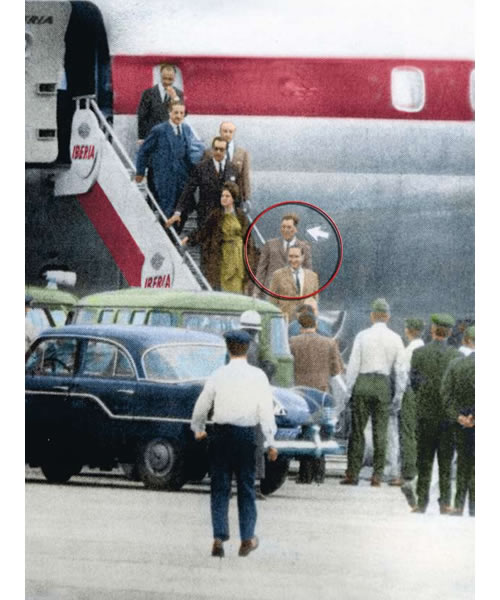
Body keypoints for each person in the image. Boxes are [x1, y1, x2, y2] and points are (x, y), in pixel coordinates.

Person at [190, 329, 278, 558]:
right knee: (247, 488)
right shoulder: (258, 376)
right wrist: (271, 441)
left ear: (227, 348)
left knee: (220, 487)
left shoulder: (218, 374)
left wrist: (198, 429)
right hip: (247, 436)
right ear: (248, 348)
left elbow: (201, 405)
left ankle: (219, 538)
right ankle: (247, 537)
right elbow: (266, 411)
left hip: (220, 435)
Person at [340, 298, 406, 487]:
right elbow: (401, 370)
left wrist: (348, 391)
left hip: (362, 382)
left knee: (357, 431)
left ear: (372, 316)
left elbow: (353, 366)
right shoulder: (395, 338)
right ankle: (377, 475)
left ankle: (352, 473)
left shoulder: (362, 336)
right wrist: (398, 395)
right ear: (388, 317)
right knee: (380, 432)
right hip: (382, 385)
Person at [410, 313, 461, 513]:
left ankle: (421, 501)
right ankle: (445, 502)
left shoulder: (419, 353)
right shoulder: (456, 356)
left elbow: (413, 382)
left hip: (425, 415)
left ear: (432, 330)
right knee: (446, 462)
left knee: (424, 460)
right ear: (449, 333)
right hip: (448, 417)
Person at [180, 182, 257, 293]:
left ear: (233, 199)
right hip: (223, 254)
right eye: (222, 196)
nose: (224, 199)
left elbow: (248, 238)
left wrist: (250, 259)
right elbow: (204, 230)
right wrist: (189, 238)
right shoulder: (216, 215)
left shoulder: (240, 215)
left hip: (238, 255)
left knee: (238, 284)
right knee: (223, 283)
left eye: (227, 196)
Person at [135, 101, 205, 217]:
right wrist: (140, 172)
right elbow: (144, 151)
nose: (178, 116)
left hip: (182, 178)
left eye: (181, 113)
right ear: (169, 113)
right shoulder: (159, 130)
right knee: (167, 210)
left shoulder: (186, 129)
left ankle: (173, 233)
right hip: (165, 178)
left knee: (186, 209)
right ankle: (165, 234)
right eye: (176, 112)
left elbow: (189, 153)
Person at [166, 137, 241, 233]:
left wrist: (238, 214)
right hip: (205, 215)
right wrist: (178, 212)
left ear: (226, 151)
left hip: (226, 215)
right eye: (216, 148)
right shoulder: (201, 167)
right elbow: (188, 190)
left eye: (221, 149)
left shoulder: (233, 168)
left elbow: (237, 195)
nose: (218, 152)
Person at [239, 310, 276, 499]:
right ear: (256, 331)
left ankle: (229, 484)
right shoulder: (260, 348)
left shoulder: (231, 347)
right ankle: (253, 486)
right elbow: (272, 366)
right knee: (256, 442)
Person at [441, 325, 475, 516]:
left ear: (466, 340)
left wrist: (458, 416)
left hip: (460, 424)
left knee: (463, 462)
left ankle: (459, 504)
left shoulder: (455, 365)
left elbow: (446, 395)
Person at [398, 318, 425, 505]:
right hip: (424, 396)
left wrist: (398, 398)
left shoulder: (408, 351)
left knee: (408, 433)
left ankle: (409, 471)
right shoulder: (424, 348)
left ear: (408, 331)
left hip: (410, 393)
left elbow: (401, 375)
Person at [254, 213, 312, 295]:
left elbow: (308, 272)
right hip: (272, 291)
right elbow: (261, 270)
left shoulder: (304, 247)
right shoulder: (270, 245)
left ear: (295, 229)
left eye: (289, 227)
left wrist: (308, 294)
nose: (285, 230)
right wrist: (256, 292)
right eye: (283, 227)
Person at [289, 310, 345, 393]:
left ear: (300, 328)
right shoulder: (329, 343)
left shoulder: (292, 342)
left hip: (300, 388)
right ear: (315, 325)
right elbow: (337, 370)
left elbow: (288, 366)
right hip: (321, 388)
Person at [269, 246, 319, 322]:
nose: (293, 260)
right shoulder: (278, 275)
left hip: (306, 324)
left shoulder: (313, 277)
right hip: (285, 323)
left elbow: (315, 301)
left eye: (296, 257)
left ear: (303, 257)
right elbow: (272, 302)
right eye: (290, 256)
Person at [136, 63, 184, 143]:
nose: (167, 82)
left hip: (170, 137)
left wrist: (175, 98)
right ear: (160, 76)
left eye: (170, 79)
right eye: (165, 78)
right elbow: (142, 116)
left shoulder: (179, 94)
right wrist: (142, 137)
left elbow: (183, 114)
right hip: (152, 136)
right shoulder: (148, 93)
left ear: (174, 78)